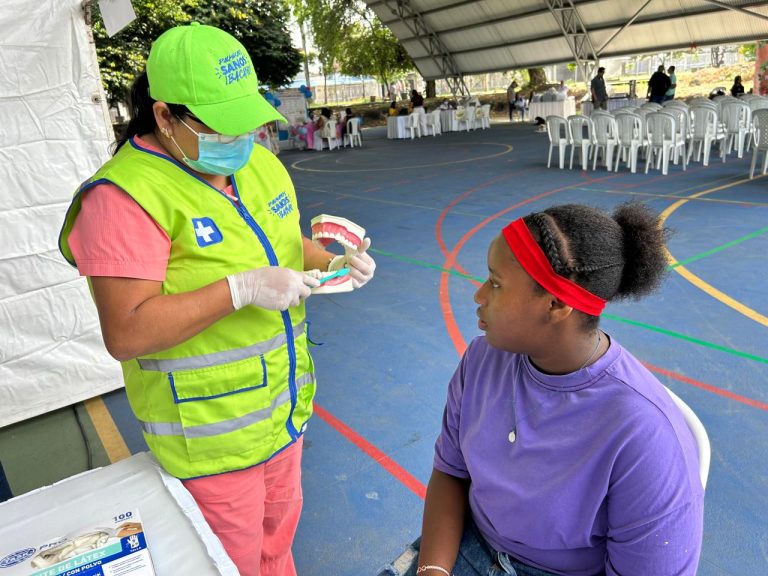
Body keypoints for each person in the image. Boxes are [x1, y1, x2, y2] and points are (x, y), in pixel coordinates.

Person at [58, 23, 376, 576]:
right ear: (164, 116)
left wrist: (332, 263)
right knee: (228, 564)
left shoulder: (260, 164)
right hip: (210, 441)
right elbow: (128, 332)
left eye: (248, 121)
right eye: (224, 126)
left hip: (284, 414)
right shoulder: (122, 198)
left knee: (277, 549)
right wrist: (240, 289)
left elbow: (283, 242)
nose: (245, 137)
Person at [378, 203, 704, 576]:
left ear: (555, 304)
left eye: (496, 284)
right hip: (470, 542)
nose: (479, 295)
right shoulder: (483, 359)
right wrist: (432, 570)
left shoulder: (645, 435)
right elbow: (451, 471)